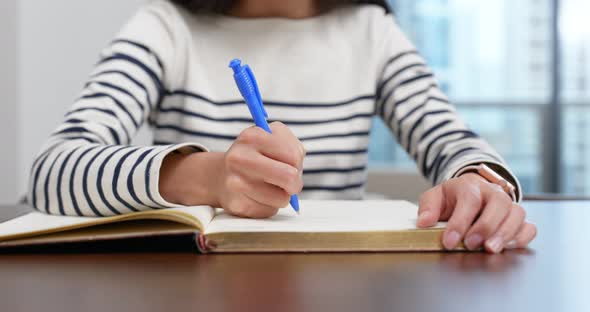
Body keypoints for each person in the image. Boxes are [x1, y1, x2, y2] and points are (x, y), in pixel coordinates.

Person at [27, 0, 536, 253]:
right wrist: (204, 177)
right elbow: (52, 170)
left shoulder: (372, 32)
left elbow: (450, 139)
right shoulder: (165, 26)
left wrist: (478, 182)